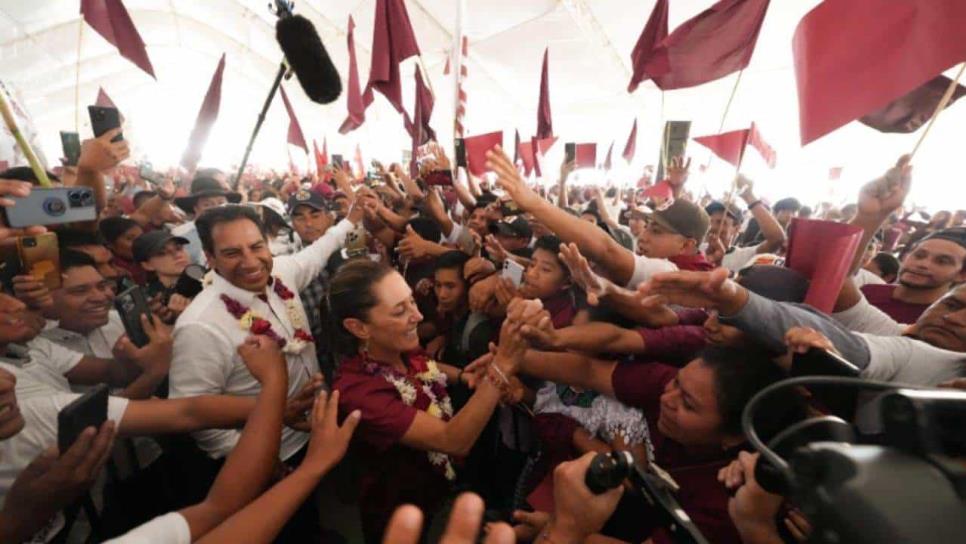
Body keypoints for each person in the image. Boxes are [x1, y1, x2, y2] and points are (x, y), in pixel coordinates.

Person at [328, 259, 525, 543]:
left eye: (411, 301)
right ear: (359, 328)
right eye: (400, 311)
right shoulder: (357, 390)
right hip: (396, 507)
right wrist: (502, 366)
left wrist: (464, 376)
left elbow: (424, 365)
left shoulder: (397, 345)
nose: (418, 316)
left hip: (432, 487)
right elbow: (451, 440)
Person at [484, 146, 706, 290]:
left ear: (687, 245)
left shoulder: (673, 275)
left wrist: (533, 202)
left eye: (656, 231)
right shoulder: (677, 266)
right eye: (648, 227)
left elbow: (606, 250)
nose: (643, 237)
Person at [287, 189, 336, 379]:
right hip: (322, 353)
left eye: (315, 215)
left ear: (328, 216)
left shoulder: (351, 242)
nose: (308, 224)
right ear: (292, 223)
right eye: (300, 218)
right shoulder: (292, 263)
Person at [704, 176, 786, 272]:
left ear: (737, 228)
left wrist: (749, 196)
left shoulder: (743, 256)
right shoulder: (697, 247)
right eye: (711, 221)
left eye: (721, 222)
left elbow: (777, 239)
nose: (713, 227)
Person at [171, 176, 242, 266]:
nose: (216, 208)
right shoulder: (180, 235)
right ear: (195, 208)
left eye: (221, 203)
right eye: (207, 204)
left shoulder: (238, 230)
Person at [132, 230, 193, 318]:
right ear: (147, 265)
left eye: (179, 248)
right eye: (162, 253)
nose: (177, 255)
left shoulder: (206, 278)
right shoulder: (154, 304)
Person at [99, 216, 147, 284]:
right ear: (110, 244)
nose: (140, 243)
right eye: (130, 238)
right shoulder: (113, 274)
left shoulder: (146, 259)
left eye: (142, 237)